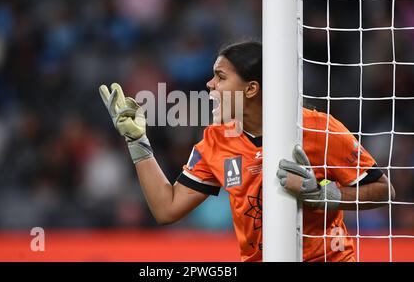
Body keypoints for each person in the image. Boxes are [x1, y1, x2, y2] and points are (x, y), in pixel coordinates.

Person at [99, 40, 395, 262]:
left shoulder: (318, 128)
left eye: (220, 77)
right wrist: (138, 143)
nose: (209, 84)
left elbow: (383, 191)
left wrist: (322, 195)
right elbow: (166, 208)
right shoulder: (216, 141)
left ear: (251, 89)